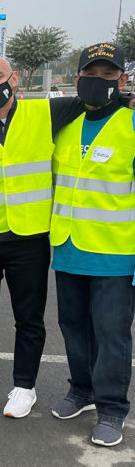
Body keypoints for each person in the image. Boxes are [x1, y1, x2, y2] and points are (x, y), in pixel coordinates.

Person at [0, 56, 135, 418]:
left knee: (29, 317)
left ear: (14, 79)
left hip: (30, 237)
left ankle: (24, 385)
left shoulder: (47, 114)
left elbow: (96, 100)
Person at [49, 43, 135, 447]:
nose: (99, 81)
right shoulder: (64, 125)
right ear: (78, 77)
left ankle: (112, 408)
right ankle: (81, 390)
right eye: (92, 73)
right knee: (73, 328)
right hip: (67, 248)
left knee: (112, 334)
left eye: (108, 74)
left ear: (121, 80)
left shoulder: (131, 126)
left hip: (116, 255)